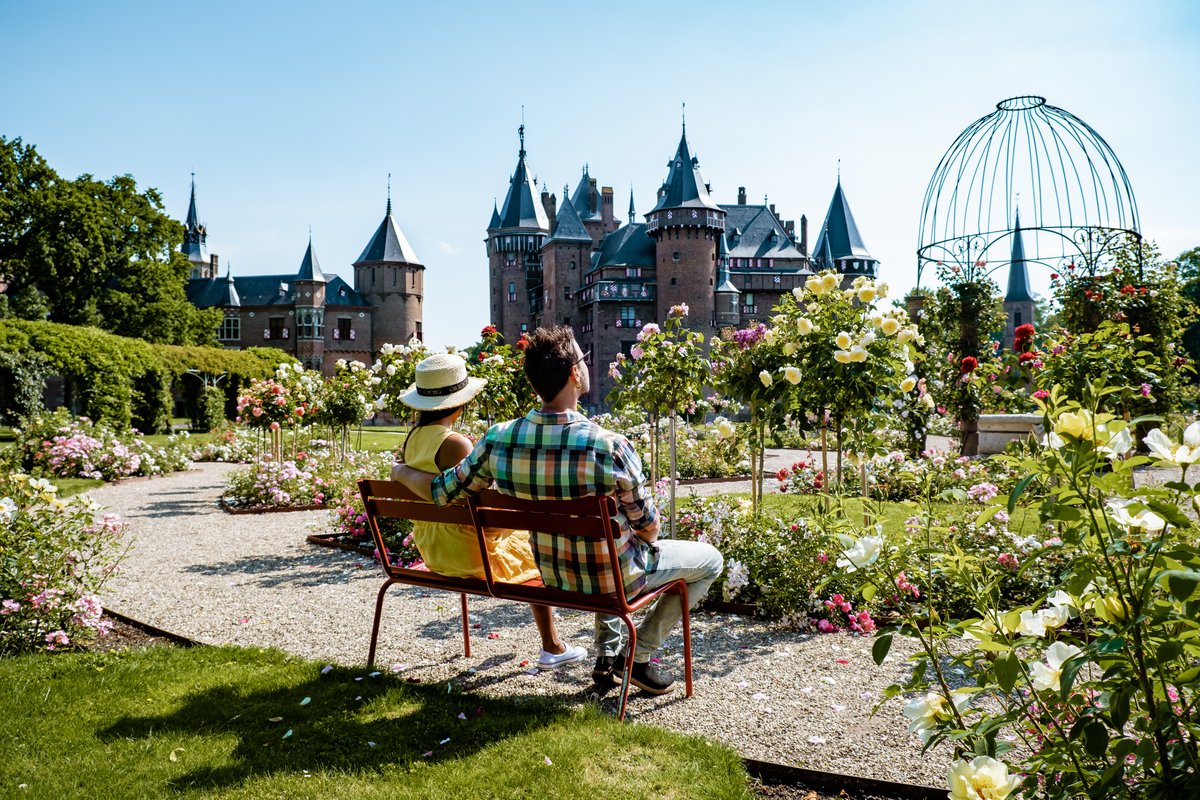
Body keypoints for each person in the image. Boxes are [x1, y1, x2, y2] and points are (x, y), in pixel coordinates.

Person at [392, 327, 723, 695]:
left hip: (551, 575)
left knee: (606, 546)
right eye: (584, 360)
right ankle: (637, 656)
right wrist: (645, 534)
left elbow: (442, 492)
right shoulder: (609, 447)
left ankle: (606, 656)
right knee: (708, 560)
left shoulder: (497, 439)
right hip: (611, 578)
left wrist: (402, 470)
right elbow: (648, 528)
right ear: (573, 374)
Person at [395, 352, 586, 671]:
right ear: (459, 403)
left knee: (519, 535)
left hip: (431, 546)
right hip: (467, 553)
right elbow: (482, 510)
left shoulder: (413, 438)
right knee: (531, 545)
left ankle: (554, 645)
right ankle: (552, 646)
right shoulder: (455, 443)